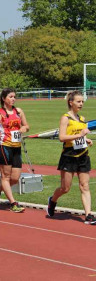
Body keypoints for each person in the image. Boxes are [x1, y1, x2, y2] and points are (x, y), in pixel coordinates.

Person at [46, 90, 95, 225]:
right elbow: (62, 137)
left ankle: (88, 215)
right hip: (69, 155)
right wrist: (80, 135)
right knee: (65, 188)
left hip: (83, 155)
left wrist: (87, 139)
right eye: (78, 101)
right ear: (70, 102)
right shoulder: (65, 118)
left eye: (82, 102)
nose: (81, 104)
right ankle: (53, 200)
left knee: (84, 186)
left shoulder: (82, 119)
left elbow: (81, 135)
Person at [0, 88, 29, 213]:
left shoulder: (19, 112)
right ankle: (13, 203)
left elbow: (26, 126)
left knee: (15, 178)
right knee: (6, 176)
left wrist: (24, 129)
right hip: (4, 146)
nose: (13, 99)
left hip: (16, 147)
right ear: (4, 98)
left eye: (14, 96)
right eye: (10, 96)